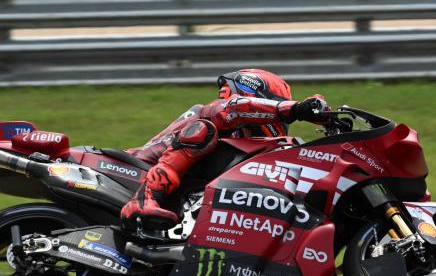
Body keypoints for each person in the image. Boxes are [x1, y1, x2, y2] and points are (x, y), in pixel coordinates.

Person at [120, 68, 330, 230]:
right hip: (136, 169)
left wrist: (326, 119)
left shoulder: (244, 141)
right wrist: (296, 109)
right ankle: (144, 199)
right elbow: (236, 107)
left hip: (185, 194)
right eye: (278, 104)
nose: (281, 116)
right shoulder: (218, 111)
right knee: (202, 131)